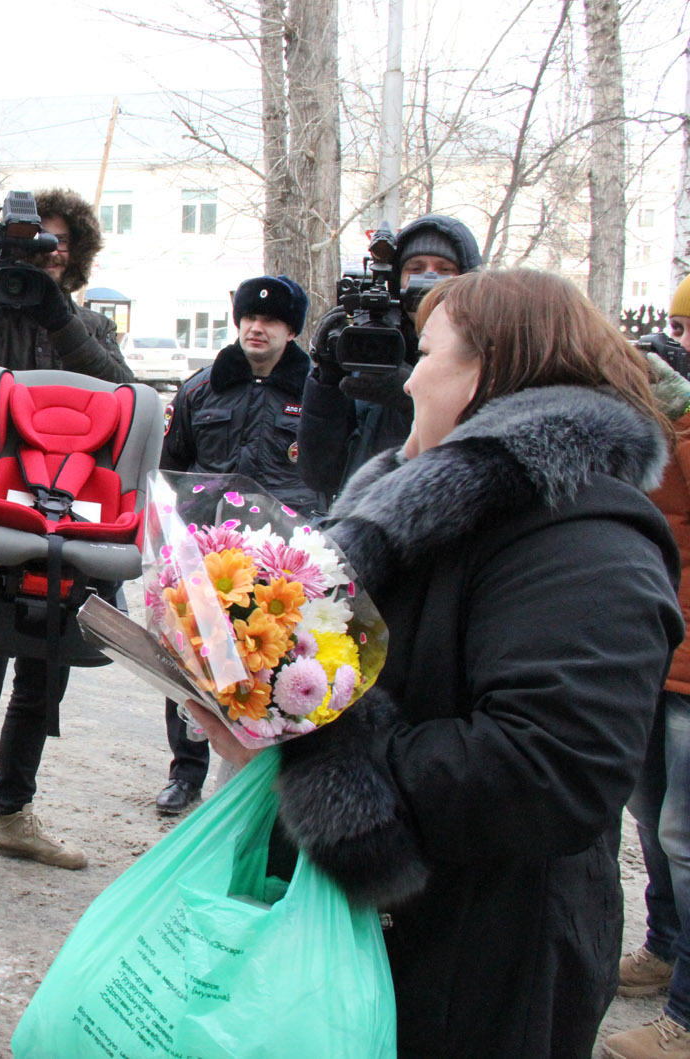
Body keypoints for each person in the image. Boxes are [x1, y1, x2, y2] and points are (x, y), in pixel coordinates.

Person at [190, 267, 682, 1059]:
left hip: (481, 964)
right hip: (382, 932)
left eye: (429, 353)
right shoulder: (427, 502)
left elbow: (550, 768)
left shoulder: (587, 537)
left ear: (491, 372)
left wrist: (310, 740)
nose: (410, 376)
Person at [0, 187, 134, 902]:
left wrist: (61, 320)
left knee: (46, 673)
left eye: (55, 248)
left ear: (72, 258)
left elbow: (126, 403)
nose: (41, 261)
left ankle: (12, 813)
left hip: (71, 522)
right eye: (28, 247)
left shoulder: (86, 325)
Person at [153, 274, 319, 815]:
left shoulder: (317, 394)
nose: (256, 327)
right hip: (207, 549)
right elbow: (171, 465)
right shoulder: (202, 388)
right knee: (195, 657)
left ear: (290, 330)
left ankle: (262, 773)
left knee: (269, 662)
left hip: (281, 554)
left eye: (270, 320)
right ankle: (185, 772)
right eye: (249, 317)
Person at [601, 271, 690, 1059]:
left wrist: (680, 414)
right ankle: (664, 947)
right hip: (663, 645)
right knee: (651, 818)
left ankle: (688, 1014)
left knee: (685, 832)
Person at [297, 214, 483, 501]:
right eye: (416, 268)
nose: (428, 280)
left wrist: (414, 395)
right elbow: (320, 475)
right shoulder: (367, 348)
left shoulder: (488, 358)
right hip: (363, 518)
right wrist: (326, 381)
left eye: (444, 269)